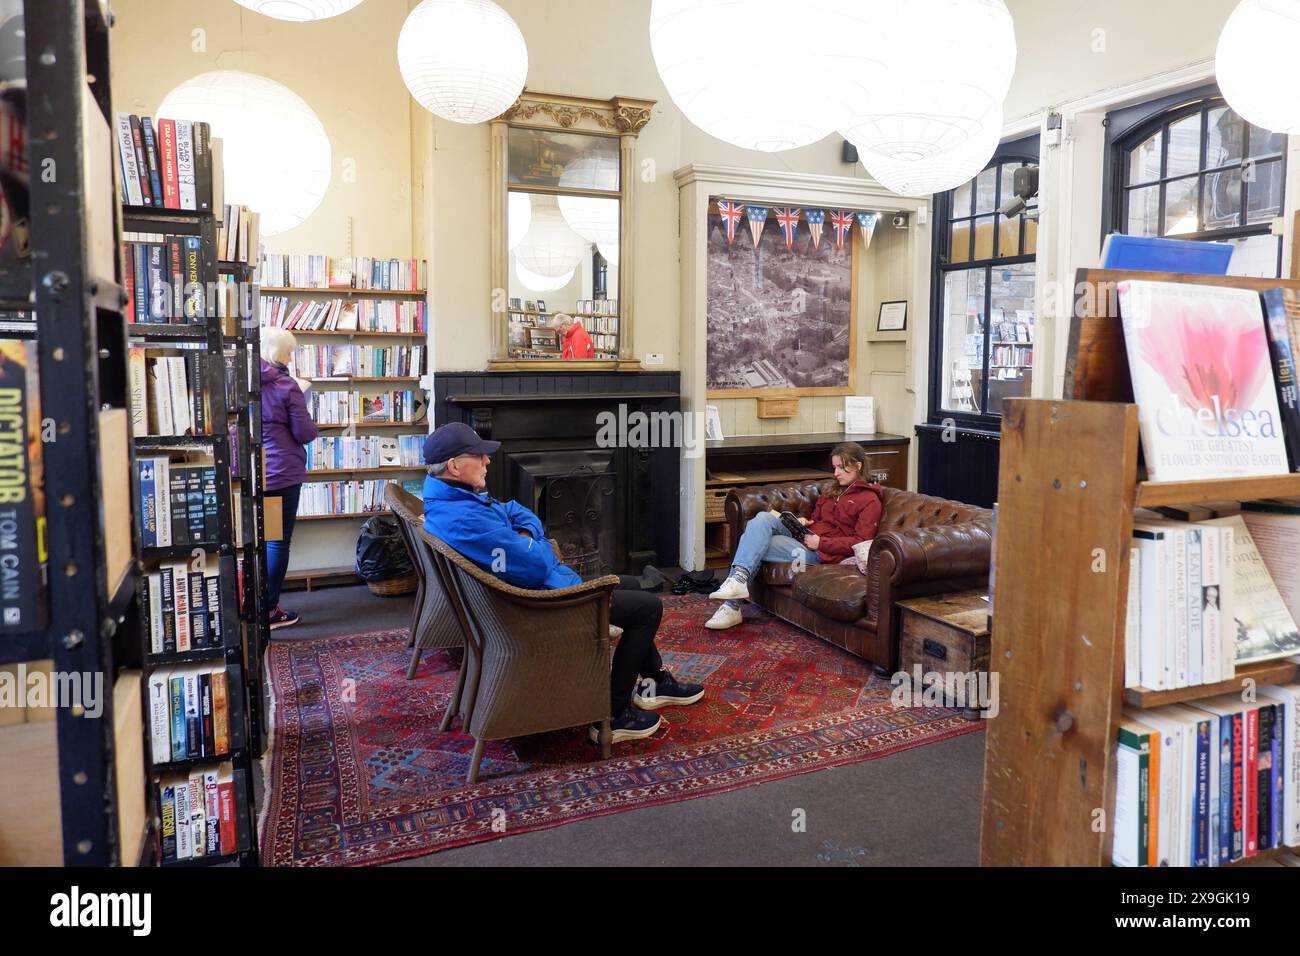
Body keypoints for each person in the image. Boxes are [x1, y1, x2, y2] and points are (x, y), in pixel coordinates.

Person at [421, 422, 704, 744]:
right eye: (480, 456)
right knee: (648, 608)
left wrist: (526, 535)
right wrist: (536, 546)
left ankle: (655, 682)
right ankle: (614, 715)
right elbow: (537, 565)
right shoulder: (464, 517)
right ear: (455, 466)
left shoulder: (455, 500)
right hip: (540, 609)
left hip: (530, 594)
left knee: (632, 584)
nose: (488, 462)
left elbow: (516, 510)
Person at [705, 442, 884, 630]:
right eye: (834, 467)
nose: (836, 473)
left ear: (858, 465)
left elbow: (861, 541)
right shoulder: (833, 490)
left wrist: (821, 543)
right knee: (762, 519)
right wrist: (805, 522)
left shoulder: (870, 500)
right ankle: (739, 581)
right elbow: (819, 519)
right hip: (805, 537)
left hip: (821, 554)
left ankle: (732, 605)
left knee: (755, 539)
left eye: (841, 467)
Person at [260, 326, 318, 629]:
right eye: (289, 351)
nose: (291, 358)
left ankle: (254, 607)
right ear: (277, 352)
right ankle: (270, 611)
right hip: (282, 473)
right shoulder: (287, 386)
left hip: (254, 473)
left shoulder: (242, 379)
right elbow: (304, 433)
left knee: (258, 541)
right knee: (277, 543)